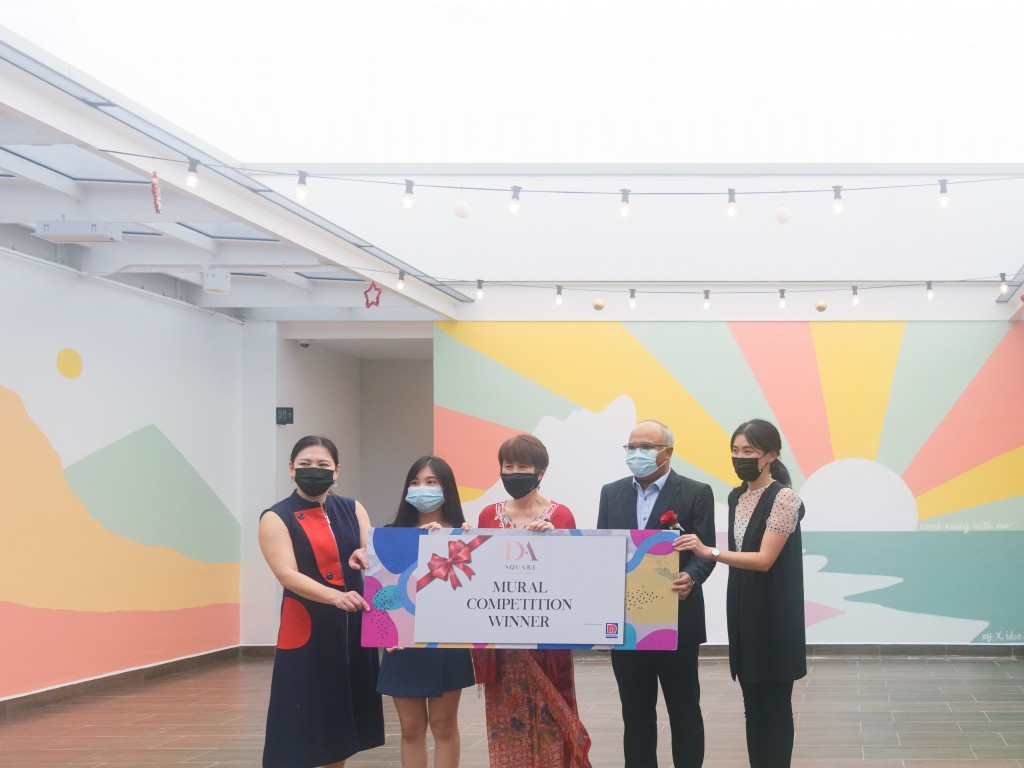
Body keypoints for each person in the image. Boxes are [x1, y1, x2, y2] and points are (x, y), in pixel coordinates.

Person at [675, 419, 806, 768]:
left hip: (775, 615)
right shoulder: (737, 496)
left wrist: (709, 551)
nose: (740, 457)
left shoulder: (785, 498)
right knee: (751, 706)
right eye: (735, 451)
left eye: (749, 451)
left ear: (771, 455)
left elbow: (763, 560)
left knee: (776, 707)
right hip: (744, 613)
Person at [258, 436, 385, 768]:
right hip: (307, 630)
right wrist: (335, 597)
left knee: (338, 722)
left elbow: (371, 558)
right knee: (302, 718)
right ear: (291, 469)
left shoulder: (353, 508)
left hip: (352, 629)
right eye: (305, 465)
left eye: (323, 465)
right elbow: (287, 574)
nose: (314, 471)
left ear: (337, 470)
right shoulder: (275, 516)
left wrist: (363, 556)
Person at [597, 419, 716, 768]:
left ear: (668, 452)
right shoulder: (611, 492)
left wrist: (691, 578)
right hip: (628, 624)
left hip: (676, 621)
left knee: (684, 712)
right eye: (632, 447)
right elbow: (603, 552)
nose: (637, 454)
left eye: (646, 448)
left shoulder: (696, 492)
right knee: (635, 716)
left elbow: (703, 552)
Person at [472, 433, 592, 768]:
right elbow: (479, 574)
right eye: (507, 465)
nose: (512, 472)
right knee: (506, 721)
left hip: (547, 643)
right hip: (502, 642)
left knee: (552, 718)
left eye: (521, 465)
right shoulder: (487, 516)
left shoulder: (561, 515)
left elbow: (574, 573)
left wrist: (553, 543)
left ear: (540, 472)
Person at [375, 456, 476, 768]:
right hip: (402, 644)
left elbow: (473, 594)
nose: (422, 488)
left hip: (449, 644)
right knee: (410, 728)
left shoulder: (466, 534)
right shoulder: (391, 536)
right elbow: (381, 595)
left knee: (444, 726)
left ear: (447, 488)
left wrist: (458, 543)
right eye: (416, 482)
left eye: (431, 482)